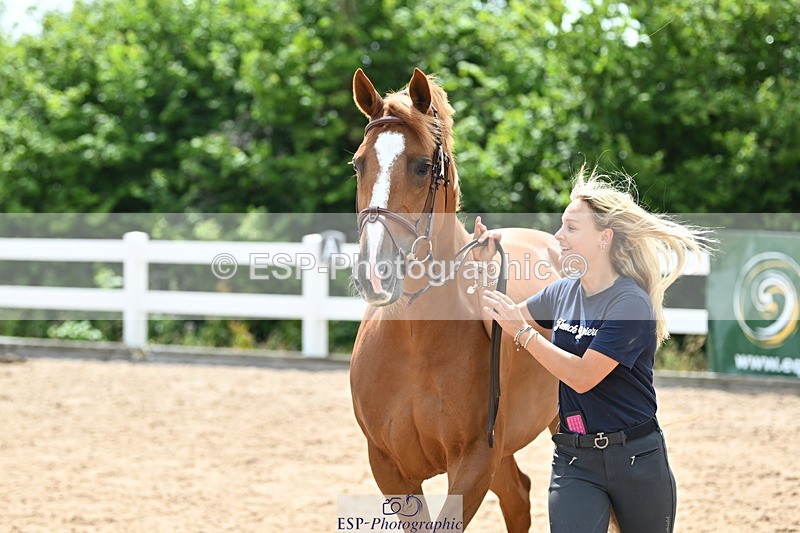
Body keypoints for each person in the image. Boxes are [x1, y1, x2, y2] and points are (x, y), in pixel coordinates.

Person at [475, 166, 713, 533]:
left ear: (605, 238)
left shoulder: (630, 303)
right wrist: (481, 271)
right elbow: (498, 320)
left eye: (571, 228)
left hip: (636, 459)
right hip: (575, 461)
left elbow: (583, 376)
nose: (558, 236)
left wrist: (523, 332)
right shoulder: (561, 292)